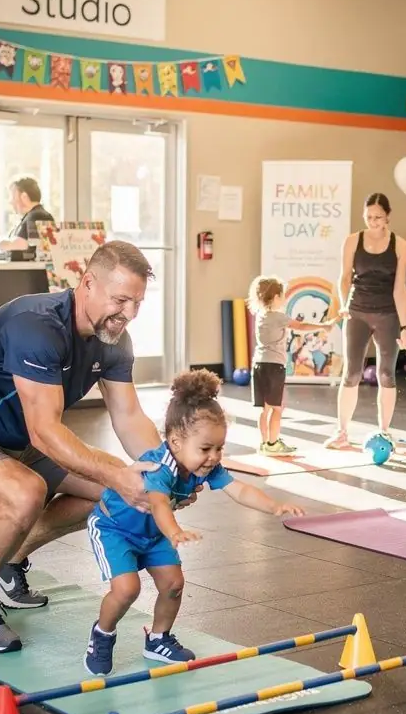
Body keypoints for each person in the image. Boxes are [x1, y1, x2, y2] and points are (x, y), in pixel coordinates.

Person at [0, 241, 173, 654]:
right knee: (27, 491)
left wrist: (165, 473)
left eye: (137, 303)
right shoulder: (37, 325)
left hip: (15, 444)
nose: (128, 314)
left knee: (124, 494)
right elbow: (46, 432)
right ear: (87, 284)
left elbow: (129, 416)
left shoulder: (114, 338)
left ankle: (9, 560)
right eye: (120, 300)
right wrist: (118, 472)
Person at [85, 370, 304, 676]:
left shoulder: (205, 467)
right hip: (115, 529)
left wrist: (274, 505)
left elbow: (238, 489)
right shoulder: (160, 465)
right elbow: (158, 502)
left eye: (219, 449)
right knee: (126, 589)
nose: (213, 457)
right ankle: (102, 635)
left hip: (155, 534)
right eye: (205, 449)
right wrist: (174, 531)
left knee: (174, 584)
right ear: (175, 441)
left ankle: (158, 639)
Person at [326, 192, 406, 448]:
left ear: (388, 217)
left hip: (388, 314)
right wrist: (343, 304)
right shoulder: (353, 241)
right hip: (357, 312)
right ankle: (341, 432)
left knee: (386, 374)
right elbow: (344, 278)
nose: (373, 222)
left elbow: (400, 288)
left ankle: (384, 431)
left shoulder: (401, 245)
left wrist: (405, 327)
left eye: (378, 217)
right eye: (368, 217)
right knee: (351, 373)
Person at [247, 274, 296, 455]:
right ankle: (273, 443)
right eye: (282, 295)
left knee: (265, 409)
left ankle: (264, 443)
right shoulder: (278, 317)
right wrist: (324, 326)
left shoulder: (260, 316)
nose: (284, 299)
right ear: (276, 298)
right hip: (275, 366)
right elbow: (301, 326)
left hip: (259, 365)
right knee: (277, 408)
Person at [0, 175, 55, 254]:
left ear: (24, 197)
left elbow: (22, 247)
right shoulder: (38, 215)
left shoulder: (37, 216)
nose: (10, 201)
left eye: (13, 196)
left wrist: (4, 245)